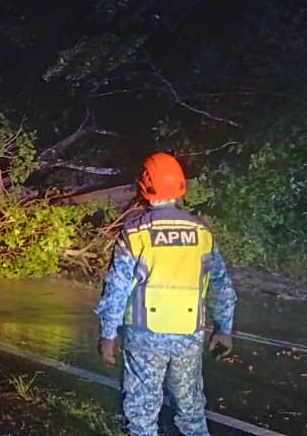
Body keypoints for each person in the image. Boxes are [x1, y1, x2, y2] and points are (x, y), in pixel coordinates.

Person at [94, 152, 237, 436]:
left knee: (143, 413)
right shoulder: (202, 232)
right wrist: (224, 329)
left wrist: (108, 334)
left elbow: (117, 288)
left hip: (145, 335)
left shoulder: (135, 232)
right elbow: (221, 286)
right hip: (189, 334)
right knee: (191, 410)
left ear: (144, 187)